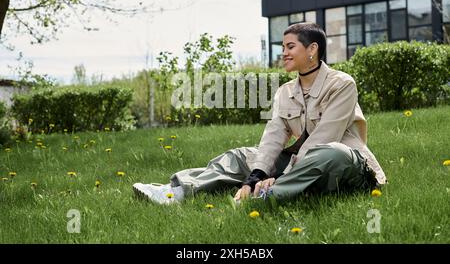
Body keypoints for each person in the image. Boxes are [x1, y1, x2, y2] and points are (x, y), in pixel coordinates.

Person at [133, 22, 386, 205]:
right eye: (282, 46)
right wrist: (256, 175)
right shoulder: (285, 91)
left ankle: (264, 198)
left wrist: (279, 177)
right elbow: (273, 136)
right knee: (242, 156)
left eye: (290, 46)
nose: (283, 53)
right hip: (303, 164)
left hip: (345, 168)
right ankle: (175, 193)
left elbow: (324, 138)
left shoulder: (342, 84)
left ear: (312, 49)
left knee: (331, 151)